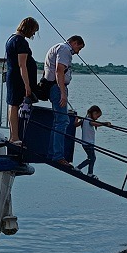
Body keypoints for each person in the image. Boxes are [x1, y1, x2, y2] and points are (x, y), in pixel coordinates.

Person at [44, 35, 85, 164]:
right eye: (79, 47)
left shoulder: (59, 48)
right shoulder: (65, 49)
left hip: (55, 87)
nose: (78, 52)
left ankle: (52, 154)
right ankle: (58, 156)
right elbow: (59, 71)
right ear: (73, 42)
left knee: (59, 121)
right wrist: (63, 93)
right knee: (62, 121)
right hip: (57, 88)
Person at [5, 17, 40, 143]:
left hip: (12, 76)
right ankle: (14, 136)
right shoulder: (21, 42)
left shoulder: (11, 39)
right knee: (14, 105)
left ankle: (13, 135)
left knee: (13, 104)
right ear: (28, 29)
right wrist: (27, 85)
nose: (34, 34)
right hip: (18, 79)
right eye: (33, 31)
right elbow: (22, 65)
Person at [74, 106, 110, 177]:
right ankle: (78, 168)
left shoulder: (84, 120)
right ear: (94, 113)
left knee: (91, 158)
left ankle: (90, 173)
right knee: (92, 158)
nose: (97, 118)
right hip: (89, 144)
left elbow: (75, 125)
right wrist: (105, 123)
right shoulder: (90, 121)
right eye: (97, 116)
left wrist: (76, 119)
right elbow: (96, 124)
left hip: (84, 143)